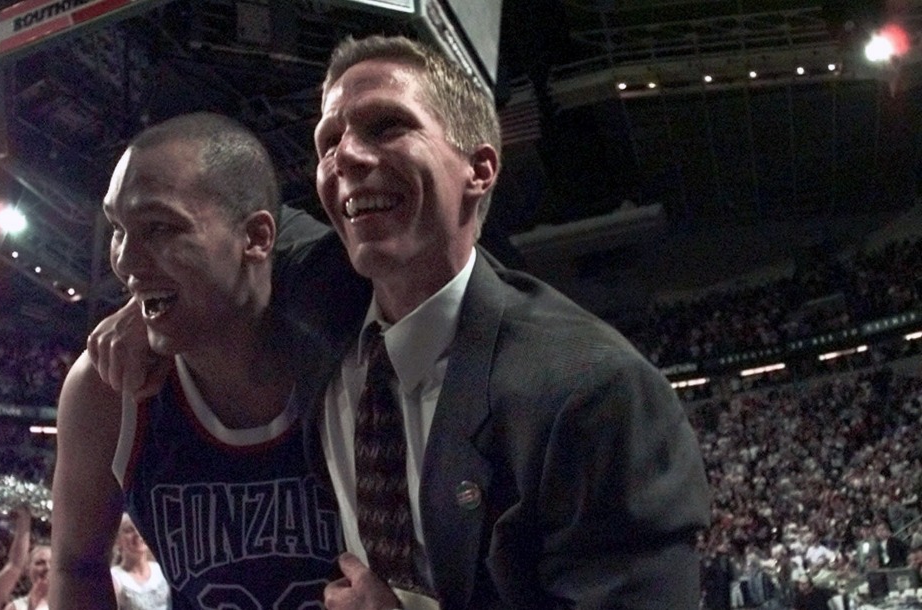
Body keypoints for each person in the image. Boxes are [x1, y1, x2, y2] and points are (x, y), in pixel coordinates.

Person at [90, 34, 711, 609]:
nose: (349, 157)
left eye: (388, 126)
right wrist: (148, 294)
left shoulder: (594, 393)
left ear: (480, 168)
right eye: (328, 142)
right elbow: (236, 236)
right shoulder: (321, 292)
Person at [50, 112, 345, 610]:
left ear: (255, 239)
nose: (123, 260)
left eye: (160, 228)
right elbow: (76, 566)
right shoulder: (105, 387)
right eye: (120, 228)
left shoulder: (353, 346)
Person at [109, 515, 169, 610]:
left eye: (140, 528)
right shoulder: (116, 578)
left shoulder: (161, 569)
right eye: (129, 530)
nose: (137, 533)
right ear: (117, 540)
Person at [4, 545, 50, 610]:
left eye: (52, 562)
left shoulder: (68, 603)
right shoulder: (15, 607)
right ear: (28, 569)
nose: (48, 567)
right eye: (40, 563)